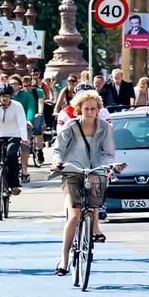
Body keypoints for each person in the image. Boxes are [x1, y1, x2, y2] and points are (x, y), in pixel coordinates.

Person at [51, 91, 122, 275]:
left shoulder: (106, 128)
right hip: (72, 172)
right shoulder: (71, 126)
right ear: (78, 110)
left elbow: (109, 153)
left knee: (92, 206)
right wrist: (56, 162)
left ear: (98, 110)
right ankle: (64, 260)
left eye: (93, 108)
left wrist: (108, 167)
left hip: (94, 172)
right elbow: (58, 149)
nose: (90, 112)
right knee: (74, 214)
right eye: (86, 109)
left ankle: (92, 230)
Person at [0, 84, 27, 205]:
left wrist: (24, 138)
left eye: (7, 96)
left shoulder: (17, 106)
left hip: (13, 136)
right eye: (2, 96)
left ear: (11, 96)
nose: (4, 99)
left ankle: (13, 185)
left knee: (11, 155)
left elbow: (22, 123)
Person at [10, 75, 36, 182]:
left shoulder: (27, 96)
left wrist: (28, 119)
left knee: (25, 144)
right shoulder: (6, 96)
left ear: (20, 86)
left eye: (14, 84)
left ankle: (24, 170)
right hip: (9, 125)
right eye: (10, 84)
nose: (12, 86)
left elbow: (31, 108)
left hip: (23, 124)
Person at [23, 75, 46, 165]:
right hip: (24, 116)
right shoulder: (21, 94)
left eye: (29, 85)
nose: (27, 88)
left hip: (36, 115)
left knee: (37, 132)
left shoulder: (38, 92)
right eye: (25, 86)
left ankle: (39, 150)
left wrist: (39, 113)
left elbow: (41, 103)